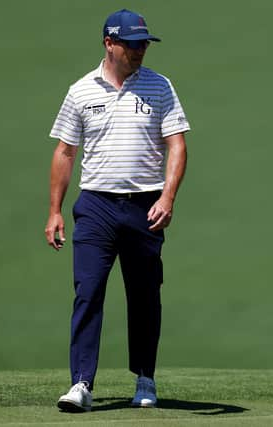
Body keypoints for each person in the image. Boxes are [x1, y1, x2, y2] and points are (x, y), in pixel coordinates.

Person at [45, 8, 190, 412]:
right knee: (87, 292)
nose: (140, 50)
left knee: (144, 296)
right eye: (132, 43)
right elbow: (65, 151)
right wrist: (54, 210)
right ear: (110, 43)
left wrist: (168, 197)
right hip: (95, 205)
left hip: (145, 205)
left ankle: (145, 378)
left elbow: (176, 144)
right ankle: (80, 384)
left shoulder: (160, 88)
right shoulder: (80, 91)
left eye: (144, 43)